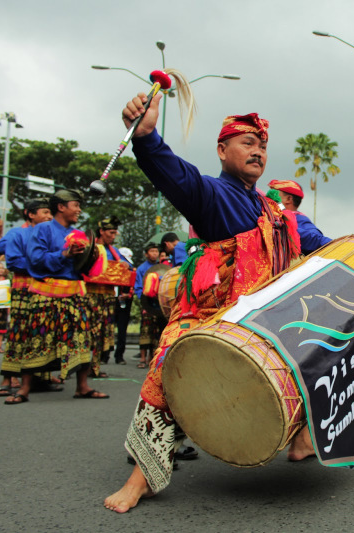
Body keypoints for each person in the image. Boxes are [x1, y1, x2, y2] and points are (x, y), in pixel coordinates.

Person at [105, 92, 310, 513]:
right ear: (222, 150)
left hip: (260, 318)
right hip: (210, 317)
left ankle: (303, 440)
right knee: (166, 374)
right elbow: (176, 175)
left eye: (263, 145)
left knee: (312, 349)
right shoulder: (214, 193)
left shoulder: (271, 209)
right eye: (247, 142)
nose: (258, 151)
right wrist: (146, 139)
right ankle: (140, 478)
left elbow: (314, 243)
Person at [4, 189, 109, 404]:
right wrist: (64, 254)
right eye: (75, 205)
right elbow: (35, 259)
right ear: (61, 207)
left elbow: (84, 266)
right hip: (46, 292)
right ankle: (24, 389)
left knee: (82, 338)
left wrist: (92, 257)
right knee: (36, 339)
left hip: (74, 293)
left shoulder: (78, 233)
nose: (79, 210)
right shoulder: (42, 229)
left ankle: (82, 387)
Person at [0, 198, 54, 395]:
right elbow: (12, 261)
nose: (49, 216)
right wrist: (42, 263)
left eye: (50, 212)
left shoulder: (50, 234)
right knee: (19, 331)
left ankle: (40, 376)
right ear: (31, 214)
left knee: (42, 333)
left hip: (45, 289)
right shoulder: (18, 233)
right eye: (45, 212)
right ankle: (9, 377)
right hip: (24, 289)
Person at [86, 216, 132, 376]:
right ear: (101, 231)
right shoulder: (91, 248)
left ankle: (95, 366)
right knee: (87, 331)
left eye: (115, 233)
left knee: (102, 331)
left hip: (107, 296)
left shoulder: (114, 251)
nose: (113, 236)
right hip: (89, 294)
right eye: (111, 233)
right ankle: (82, 367)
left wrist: (125, 265)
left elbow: (130, 267)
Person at [268, 179, 331, 254]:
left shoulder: (300, 219)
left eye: (274, 194)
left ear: (288, 199)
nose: (269, 199)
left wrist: (284, 228)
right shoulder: (271, 217)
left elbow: (318, 241)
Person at [133, 243, 165, 369]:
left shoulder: (162, 267)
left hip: (159, 304)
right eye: (152, 251)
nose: (155, 254)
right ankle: (142, 358)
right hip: (147, 303)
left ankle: (152, 358)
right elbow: (138, 287)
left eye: (156, 251)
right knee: (145, 330)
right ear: (146, 254)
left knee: (157, 331)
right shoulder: (142, 268)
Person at [113, 247, 135, 365]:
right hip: (111, 302)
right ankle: (103, 355)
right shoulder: (112, 270)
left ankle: (119, 355)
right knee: (107, 329)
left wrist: (127, 295)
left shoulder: (131, 271)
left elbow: (133, 286)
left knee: (122, 330)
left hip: (124, 304)